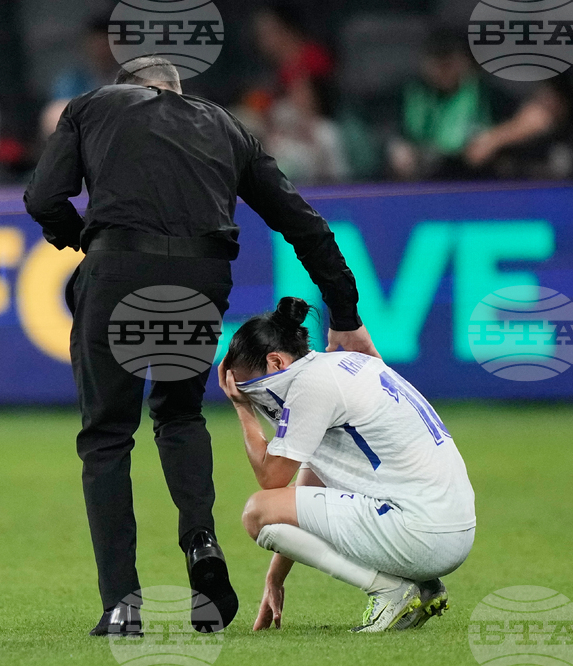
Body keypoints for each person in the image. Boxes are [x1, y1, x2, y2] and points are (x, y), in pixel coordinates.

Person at [23, 56, 378, 637]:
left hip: (116, 268)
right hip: (200, 277)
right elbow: (302, 222)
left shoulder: (92, 107)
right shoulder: (227, 126)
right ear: (178, 91)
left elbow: (42, 199)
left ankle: (122, 603)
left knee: (107, 437)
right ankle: (201, 543)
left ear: (127, 89)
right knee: (180, 414)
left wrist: (77, 236)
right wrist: (345, 313)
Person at [218, 297, 475, 632]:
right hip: (448, 530)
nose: (248, 395)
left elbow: (271, 479)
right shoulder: (338, 367)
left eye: (249, 388)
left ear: (277, 362)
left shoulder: (311, 386)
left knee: (255, 510)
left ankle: (390, 589)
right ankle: (424, 586)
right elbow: (305, 494)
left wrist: (242, 410)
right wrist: (275, 578)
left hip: (421, 533)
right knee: (272, 508)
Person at [389, 27, 516, 181]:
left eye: (449, 63)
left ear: (464, 62)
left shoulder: (488, 94)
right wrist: (398, 148)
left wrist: (494, 140)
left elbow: (515, 127)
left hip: (477, 177)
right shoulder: (408, 93)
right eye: (436, 63)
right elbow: (396, 134)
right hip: (423, 177)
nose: (442, 71)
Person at [39, 15, 118, 138]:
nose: (102, 50)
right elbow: (59, 115)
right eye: (96, 43)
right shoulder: (72, 80)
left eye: (106, 44)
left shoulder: (134, 76)